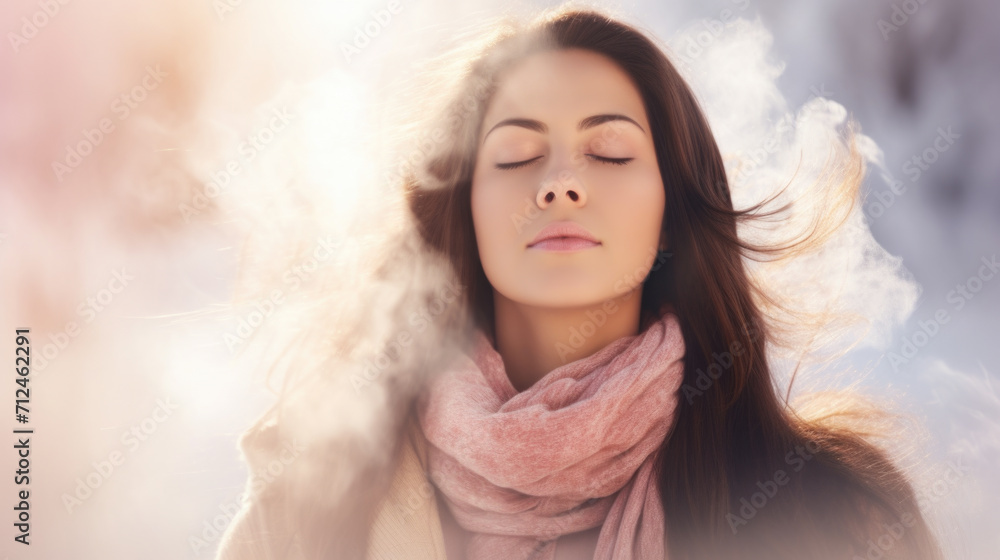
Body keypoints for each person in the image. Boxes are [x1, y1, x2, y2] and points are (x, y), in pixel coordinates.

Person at [214, 5, 944, 560]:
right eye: (517, 154)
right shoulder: (312, 500)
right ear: (464, 207)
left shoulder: (829, 514)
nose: (561, 183)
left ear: (672, 208)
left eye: (609, 151)